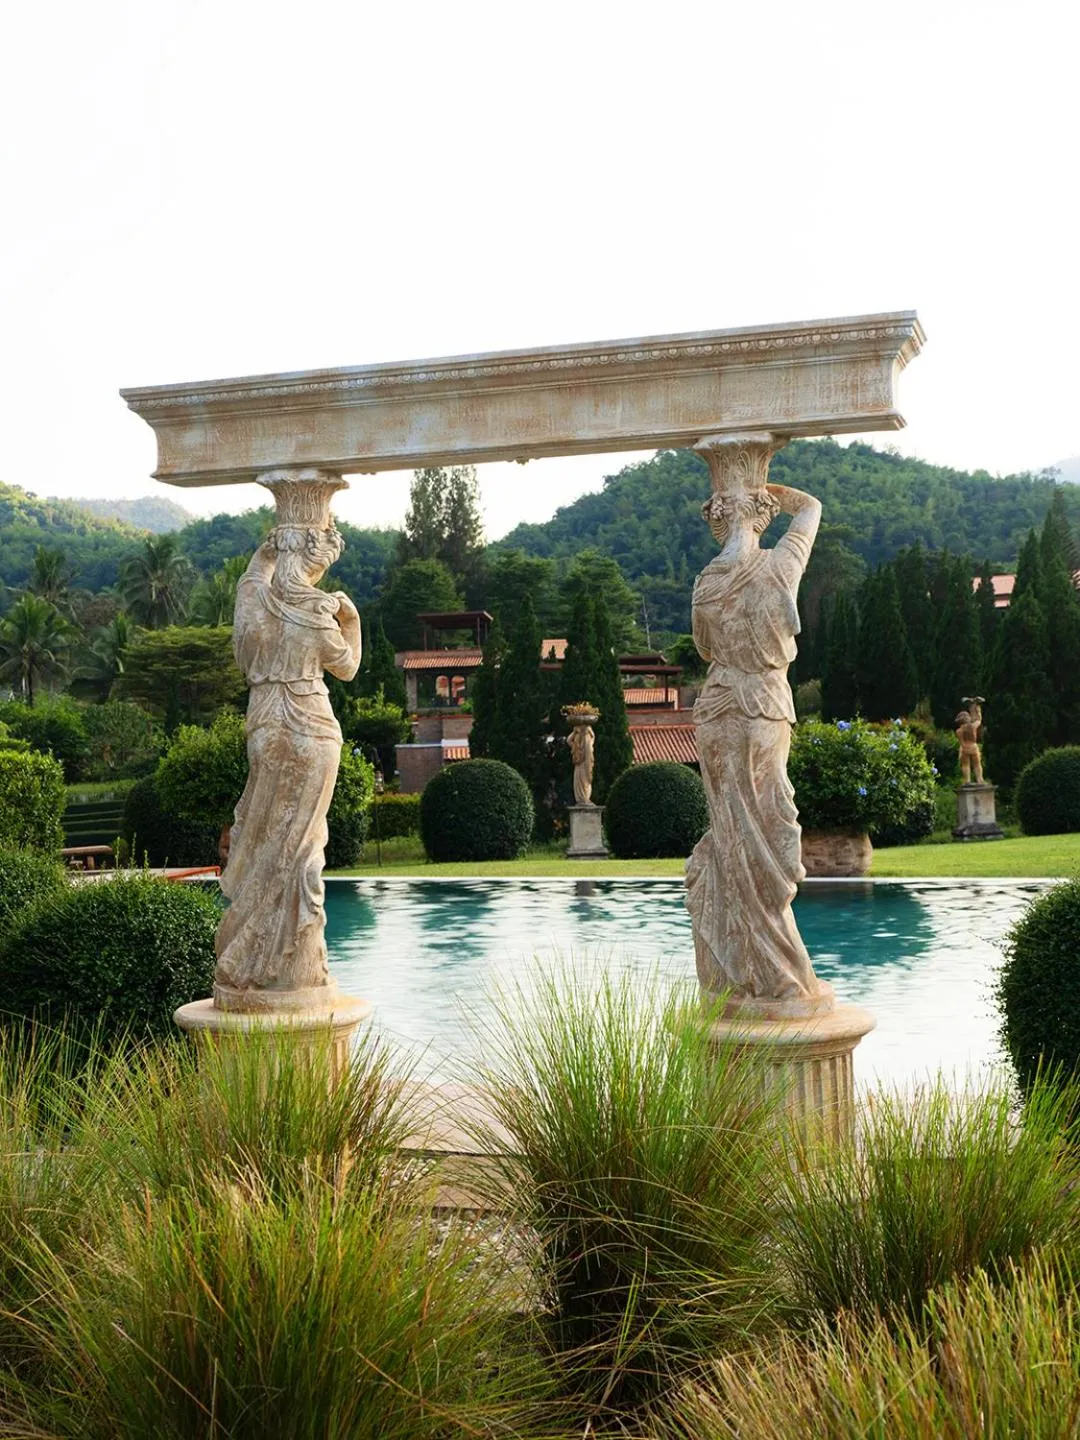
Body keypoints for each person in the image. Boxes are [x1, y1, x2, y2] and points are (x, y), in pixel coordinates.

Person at [685, 480, 833, 1015]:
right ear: (763, 518)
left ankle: (740, 968)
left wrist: (741, 489)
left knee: (729, 832)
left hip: (718, 708)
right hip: (765, 705)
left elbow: (704, 646)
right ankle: (778, 972)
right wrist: (770, 488)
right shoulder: (780, 565)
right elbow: (811, 509)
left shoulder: (706, 581)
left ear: (716, 521)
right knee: (768, 824)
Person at [213, 522, 361, 1007]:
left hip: (266, 724)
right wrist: (352, 621)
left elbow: (251, 578)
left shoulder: (254, 605)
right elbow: (347, 667)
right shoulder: (320, 616)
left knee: (262, 833)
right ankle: (284, 960)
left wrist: (270, 546)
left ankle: (245, 954)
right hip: (312, 725)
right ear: (315, 568)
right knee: (300, 844)